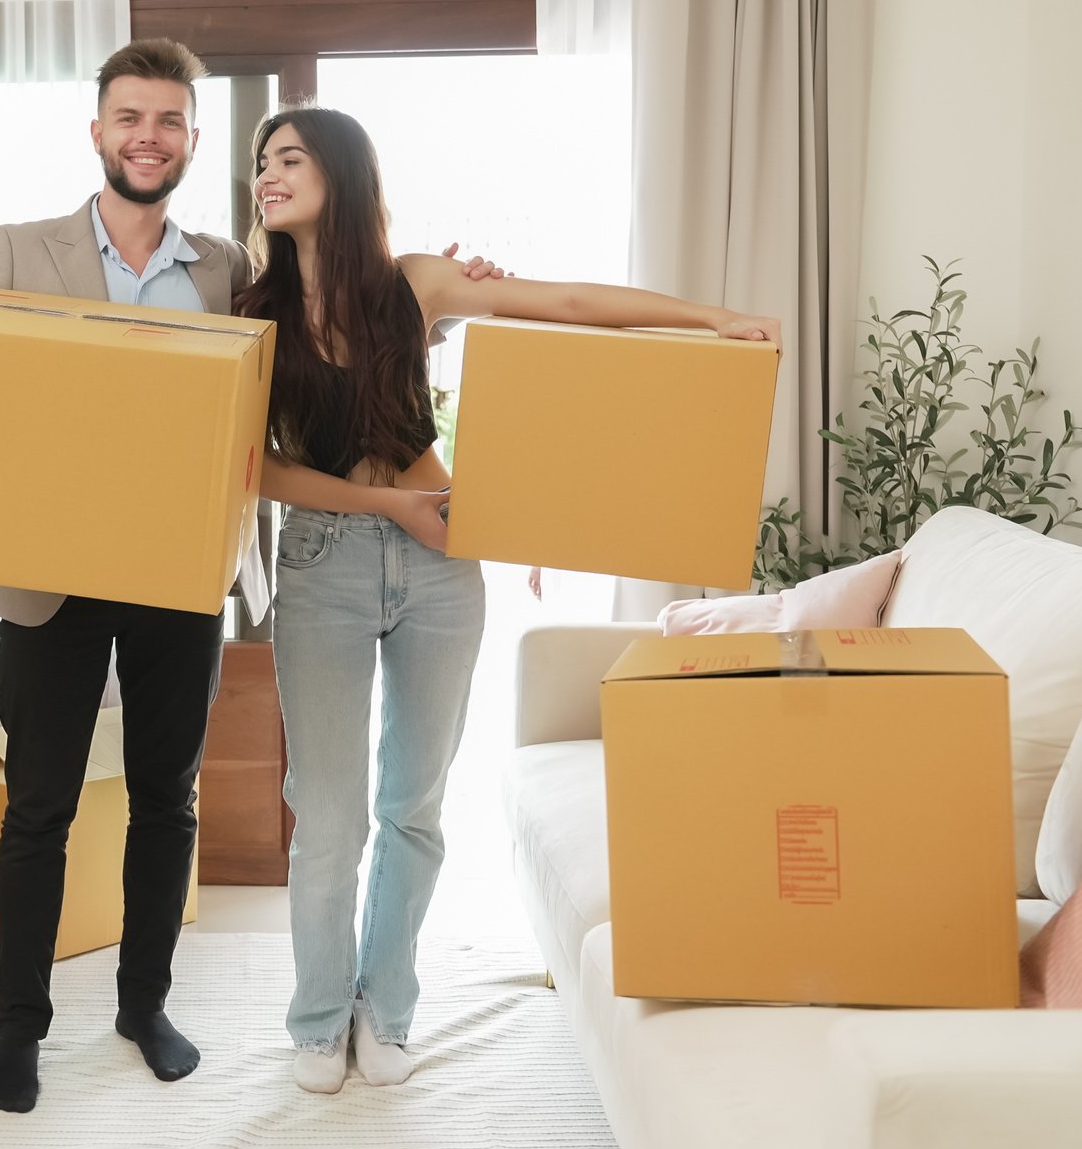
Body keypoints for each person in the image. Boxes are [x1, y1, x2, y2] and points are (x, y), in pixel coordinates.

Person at [0, 40, 504, 1113]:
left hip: (178, 580)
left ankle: (142, 1005)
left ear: (189, 141)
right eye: (130, 118)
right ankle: (17, 1031)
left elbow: (335, 322)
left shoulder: (227, 271)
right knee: (39, 808)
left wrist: (439, 290)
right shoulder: (17, 248)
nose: (147, 137)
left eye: (168, 122)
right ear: (98, 132)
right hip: (48, 579)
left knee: (168, 802)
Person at [234, 106, 780, 1093]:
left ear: (342, 174)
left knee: (415, 806)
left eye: (288, 158)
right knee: (327, 818)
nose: (265, 176)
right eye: (259, 164)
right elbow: (255, 471)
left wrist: (709, 320)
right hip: (325, 559)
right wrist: (385, 505)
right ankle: (318, 1021)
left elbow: (565, 307)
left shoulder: (416, 285)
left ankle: (386, 1010)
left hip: (446, 561)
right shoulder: (250, 308)